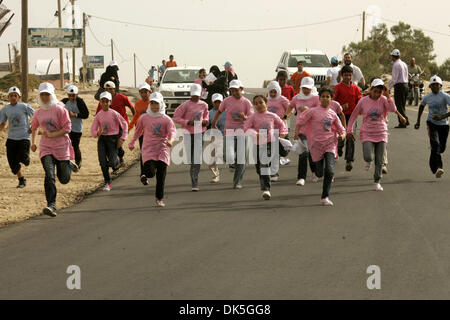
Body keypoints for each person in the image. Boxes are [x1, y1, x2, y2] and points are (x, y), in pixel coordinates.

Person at [347, 79, 406, 191]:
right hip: (367, 132)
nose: (377, 94)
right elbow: (353, 116)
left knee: (380, 160)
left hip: (381, 132)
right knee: (368, 156)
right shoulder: (363, 101)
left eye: (379, 92)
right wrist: (349, 130)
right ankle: (368, 161)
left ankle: (377, 181)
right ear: (370, 89)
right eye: (375, 91)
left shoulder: (383, 99)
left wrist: (388, 95)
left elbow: (393, 109)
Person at [31, 82, 79, 217]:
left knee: (63, 179)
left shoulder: (60, 110)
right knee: (49, 175)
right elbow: (34, 127)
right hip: (46, 148)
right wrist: (33, 143)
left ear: (52, 95)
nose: (45, 97)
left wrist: (52, 134)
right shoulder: (38, 112)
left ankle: (68, 164)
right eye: (42, 94)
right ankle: (51, 204)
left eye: (47, 94)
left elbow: (67, 128)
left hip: (61, 147)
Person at [296, 87, 346, 206]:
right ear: (319, 98)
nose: (325, 98)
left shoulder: (333, 114)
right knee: (319, 173)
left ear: (331, 99)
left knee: (329, 170)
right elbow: (300, 121)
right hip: (316, 145)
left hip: (330, 144)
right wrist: (296, 133)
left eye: (327, 96)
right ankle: (319, 173)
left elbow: (341, 129)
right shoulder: (312, 111)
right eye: (322, 96)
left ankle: (325, 197)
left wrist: (342, 135)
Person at [129, 92, 176, 207]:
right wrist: (132, 141)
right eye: (152, 103)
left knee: (161, 176)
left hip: (162, 149)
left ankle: (159, 198)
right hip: (149, 149)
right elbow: (138, 130)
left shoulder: (166, 119)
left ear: (161, 104)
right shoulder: (144, 118)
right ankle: (149, 171)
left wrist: (171, 141)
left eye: (157, 104)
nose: (154, 106)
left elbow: (173, 132)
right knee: (150, 173)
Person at [244, 95, 288, 200]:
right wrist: (255, 134)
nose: (259, 105)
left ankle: (266, 189)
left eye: (261, 102)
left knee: (264, 164)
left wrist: (282, 134)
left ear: (266, 103)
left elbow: (282, 126)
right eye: (256, 103)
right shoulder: (252, 117)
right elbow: (246, 128)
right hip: (256, 144)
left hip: (269, 143)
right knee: (259, 168)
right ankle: (264, 181)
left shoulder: (272, 116)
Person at [212, 79, 253, 189]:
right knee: (227, 155)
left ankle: (237, 182)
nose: (234, 93)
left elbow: (251, 117)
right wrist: (214, 123)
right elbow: (219, 111)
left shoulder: (246, 102)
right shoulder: (227, 101)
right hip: (229, 131)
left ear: (241, 89)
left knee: (242, 159)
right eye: (232, 91)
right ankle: (233, 162)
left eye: (236, 90)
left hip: (242, 132)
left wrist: (245, 117)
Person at [173, 83, 209, 191]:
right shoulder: (185, 105)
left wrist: (205, 121)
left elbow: (206, 115)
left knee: (196, 158)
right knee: (190, 158)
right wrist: (188, 122)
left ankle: (195, 182)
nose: (195, 97)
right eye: (193, 95)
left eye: (197, 95)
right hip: (188, 133)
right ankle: (192, 169)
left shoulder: (204, 105)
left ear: (200, 94)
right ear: (190, 94)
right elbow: (176, 117)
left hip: (200, 132)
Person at [91, 91, 128, 191]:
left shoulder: (114, 114)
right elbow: (93, 130)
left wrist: (122, 138)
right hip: (102, 139)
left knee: (112, 162)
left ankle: (117, 162)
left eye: (107, 101)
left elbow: (124, 124)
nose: (104, 103)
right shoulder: (98, 115)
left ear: (110, 102)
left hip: (113, 139)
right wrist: (97, 133)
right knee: (102, 162)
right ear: (100, 102)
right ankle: (107, 182)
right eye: (102, 101)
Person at [414, 75, 450, 178]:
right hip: (432, 123)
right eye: (433, 85)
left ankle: (433, 162)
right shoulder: (427, 97)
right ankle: (438, 167)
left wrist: (443, 116)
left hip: (444, 125)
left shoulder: (445, 96)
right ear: (430, 86)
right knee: (436, 144)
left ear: (440, 85)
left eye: (437, 85)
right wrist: (418, 122)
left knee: (441, 148)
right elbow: (421, 107)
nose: (435, 87)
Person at [285, 77, 318, 186]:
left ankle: (314, 171)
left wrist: (309, 110)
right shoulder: (296, 98)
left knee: (312, 153)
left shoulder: (316, 98)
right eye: (304, 88)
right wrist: (286, 115)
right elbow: (290, 107)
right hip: (301, 130)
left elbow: (321, 111)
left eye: (308, 88)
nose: (306, 90)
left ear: (312, 87)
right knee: (304, 152)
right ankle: (301, 177)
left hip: (314, 130)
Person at [0, 86, 34, 188]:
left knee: (23, 158)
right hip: (11, 139)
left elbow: (36, 116)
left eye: (15, 96)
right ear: (8, 97)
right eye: (11, 96)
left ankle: (26, 158)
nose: (13, 97)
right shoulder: (5, 109)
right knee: (12, 163)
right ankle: (21, 180)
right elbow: (2, 123)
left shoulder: (24, 106)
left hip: (24, 138)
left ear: (19, 97)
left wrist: (33, 126)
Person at [96, 81, 135, 165]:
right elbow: (98, 115)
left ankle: (120, 157)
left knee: (118, 143)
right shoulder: (103, 101)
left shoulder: (122, 97)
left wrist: (135, 120)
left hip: (122, 125)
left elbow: (131, 107)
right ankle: (116, 160)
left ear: (114, 89)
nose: (108, 91)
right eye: (106, 89)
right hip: (110, 127)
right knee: (113, 144)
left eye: (110, 89)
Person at [333, 65, 362, 171]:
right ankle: (339, 147)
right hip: (340, 116)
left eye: (350, 75)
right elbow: (332, 103)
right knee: (341, 136)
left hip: (352, 117)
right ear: (342, 75)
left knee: (350, 136)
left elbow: (360, 100)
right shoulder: (337, 88)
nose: (348, 77)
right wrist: (341, 107)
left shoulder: (355, 88)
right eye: (346, 75)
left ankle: (349, 160)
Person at [129, 83, 152, 185]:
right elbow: (136, 116)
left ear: (149, 92)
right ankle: (143, 174)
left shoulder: (153, 103)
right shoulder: (138, 104)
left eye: (145, 92)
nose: (143, 94)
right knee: (143, 153)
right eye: (141, 92)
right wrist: (130, 127)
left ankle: (151, 170)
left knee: (152, 154)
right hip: (142, 133)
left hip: (153, 133)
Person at [61, 85, 89, 169]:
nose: (71, 97)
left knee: (75, 146)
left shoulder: (80, 102)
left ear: (77, 94)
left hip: (77, 128)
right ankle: (67, 162)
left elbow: (86, 114)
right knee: (65, 144)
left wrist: (75, 115)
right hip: (66, 128)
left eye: (73, 95)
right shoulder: (64, 101)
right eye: (70, 95)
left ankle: (78, 161)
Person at [266, 81, 291, 170]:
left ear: (278, 91)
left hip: (281, 128)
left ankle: (282, 156)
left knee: (284, 151)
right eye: (271, 92)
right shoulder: (266, 100)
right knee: (272, 148)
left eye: (274, 92)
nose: (272, 94)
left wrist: (285, 116)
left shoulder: (282, 99)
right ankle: (273, 164)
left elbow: (291, 108)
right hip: (270, 129)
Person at [207, 93, 226, 183]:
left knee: (224, 156)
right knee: (211, 162)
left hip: (226, 136)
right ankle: (216, 175)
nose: (217, 104)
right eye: (216, 102)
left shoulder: (227, 111)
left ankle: (234, 165)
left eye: (219, 102)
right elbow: (206, 124)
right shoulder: (210, 113)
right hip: (215, 137)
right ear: (212, 102)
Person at [388, 49, 410, 128]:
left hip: (399, 86)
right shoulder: (404, 64)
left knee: (398, 105)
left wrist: (388, 88)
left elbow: (394, 79)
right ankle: (402, 122)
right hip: (406, 85)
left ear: (393, 57)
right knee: (402, 105)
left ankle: (404, 120)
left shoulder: (396, 65)